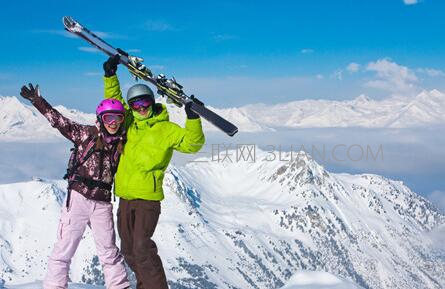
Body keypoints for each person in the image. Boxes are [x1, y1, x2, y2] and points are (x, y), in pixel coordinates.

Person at [102, 55, 205, 289]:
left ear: (152, 103)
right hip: (125, 197)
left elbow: (192, 144)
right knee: (128, 250)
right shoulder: (129, 122)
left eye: (144, 103)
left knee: (141, 247)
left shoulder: (166, 129)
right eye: (135, 105)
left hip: (147, 199)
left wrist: (193, 119)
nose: (140, 109)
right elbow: (114, 101)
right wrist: (110, 76)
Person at [19, 84, 130, 289]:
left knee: (109, 252)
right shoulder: (85, 134)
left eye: (118, 118)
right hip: (79, 198)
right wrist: (38, 101)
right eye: (108, 118)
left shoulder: (122, 143)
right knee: (64, 249)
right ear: (100, 119)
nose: (113, 123)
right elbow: (60, 122)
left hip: (103, 203)